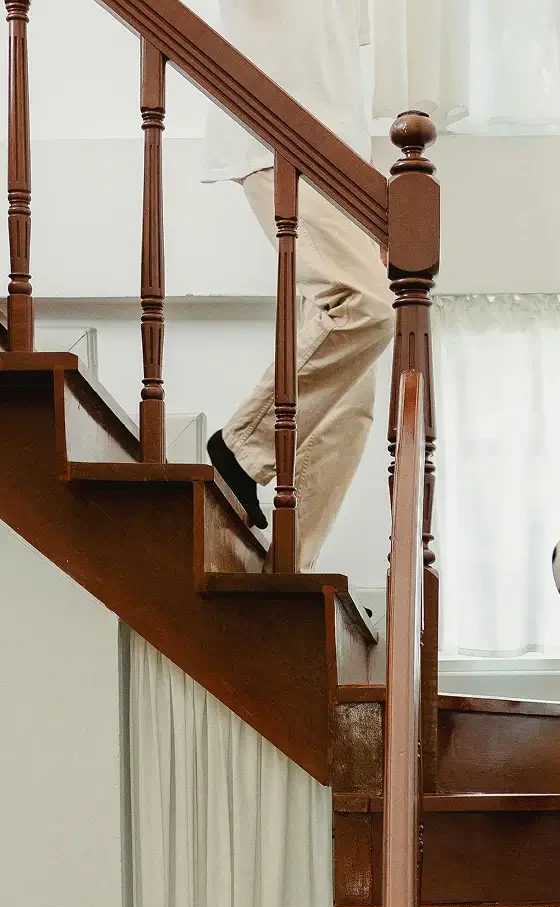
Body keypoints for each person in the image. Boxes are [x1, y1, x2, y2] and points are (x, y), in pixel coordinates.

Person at [203, 0, 392, 570]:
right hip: (279, 145)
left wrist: (368, 193)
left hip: (342, 163)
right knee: (367, 309)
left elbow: (337, 61)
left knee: (352, 400)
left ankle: (286, 567)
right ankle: (240, 446)